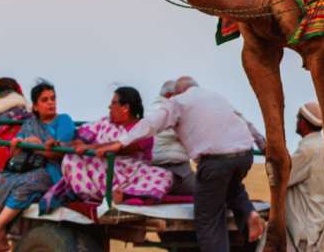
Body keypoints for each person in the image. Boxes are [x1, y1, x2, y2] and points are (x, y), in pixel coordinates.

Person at [100, 76, 266, 252]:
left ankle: (242, 222)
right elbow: (244, 121)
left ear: (174, 93)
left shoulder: (176, 103)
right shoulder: (215, 97)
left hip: (213, 162)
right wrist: (263, 145)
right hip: (244, 156)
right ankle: (249, 213)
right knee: (232, 188)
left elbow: (150, 125)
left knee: (208, 218)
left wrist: (121, 142)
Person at [0, 80, 75, 250]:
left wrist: (36, 145)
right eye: (45, 100)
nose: (51, 103)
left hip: (52, 171)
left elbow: (60, 153)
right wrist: (18, 144)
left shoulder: (64, 121)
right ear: (35, 107)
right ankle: (1, 238)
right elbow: (16, 154)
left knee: (27, 184)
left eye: (53, 98)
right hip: (28, 168)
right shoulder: (30, 124)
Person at [57, 86, 174, 204]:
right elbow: (80, 138)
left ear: (125, 108)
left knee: (165, 176)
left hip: (132, 175)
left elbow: (122, 148)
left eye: (113, 103)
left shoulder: (142, 129)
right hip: (101, 173)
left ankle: (124, 194)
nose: (109, 107)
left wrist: (90, 147)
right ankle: (103, 195)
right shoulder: (104, 123)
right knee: (71, 159)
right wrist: (75, 143)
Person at [285, 102, 324, 252]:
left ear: (304, 123)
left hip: (304, 226)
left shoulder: (307, 150)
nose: (296, 121)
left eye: (298, 118)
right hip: (318, 220)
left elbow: (283, 179)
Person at [151, 79, 197, 196]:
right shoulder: (169, 111)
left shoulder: (151, 109)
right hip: (175, 170)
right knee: (211, 189)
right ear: (169, 95)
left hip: (154, 169)